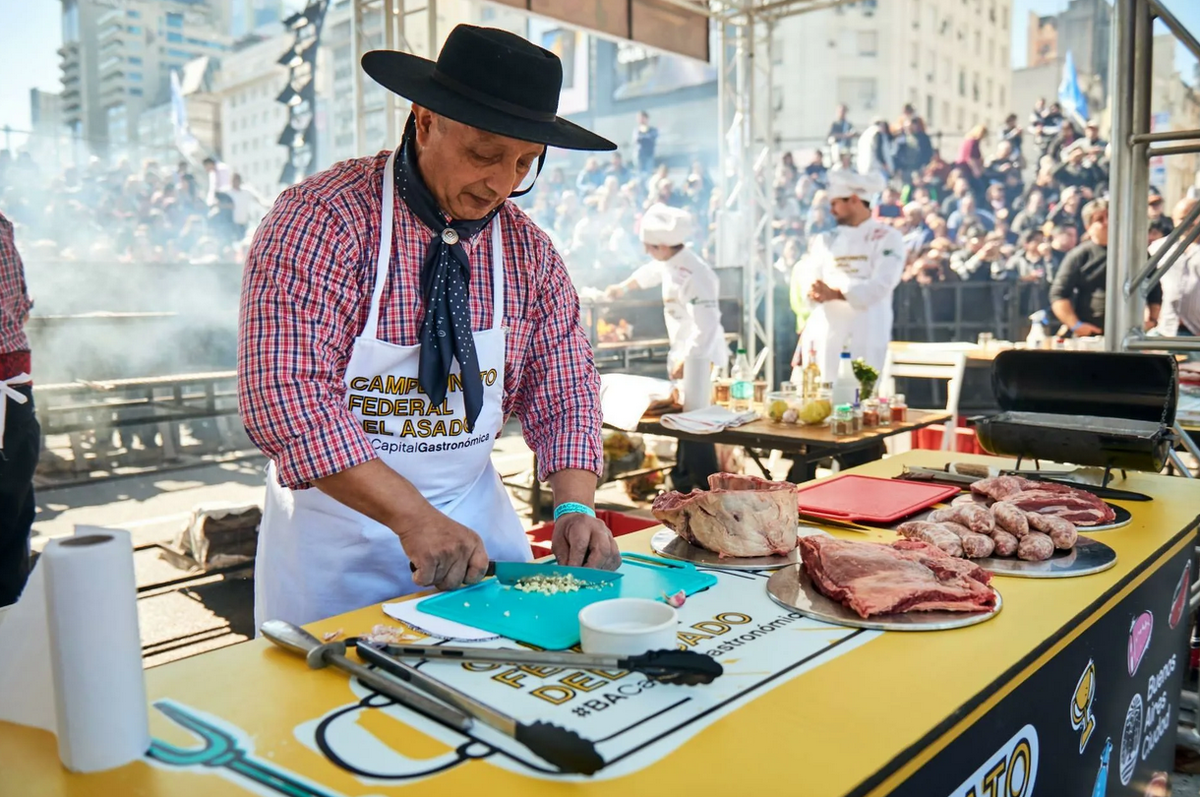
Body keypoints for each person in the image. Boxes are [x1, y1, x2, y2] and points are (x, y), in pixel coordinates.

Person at [239, 25, 622, 628]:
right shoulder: (322, 221)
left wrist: (574, 505)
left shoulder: (529, 252)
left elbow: (566, 389)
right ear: (424, 120)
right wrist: (414, 519)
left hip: (478, 532)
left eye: (525, 163)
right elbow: (284, 397)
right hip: (338, 549)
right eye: (484, 154)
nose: (501, 184)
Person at [605, 204, 727, 492]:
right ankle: (684, 478)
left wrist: (691, 359)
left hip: (702, 356)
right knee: (684, 420)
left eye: (649, 246)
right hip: (684, 354)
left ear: (662, 245)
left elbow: (706, 324)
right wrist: (623, 287)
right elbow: (650, 272)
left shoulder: (698, 273)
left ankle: (702, 483)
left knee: (696, 423)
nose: (647, 251)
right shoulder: (669, 262)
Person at [796, 170, 904, 378]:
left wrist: (836, 293)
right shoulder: (825, 240)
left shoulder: (888, 237)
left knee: (862, 397)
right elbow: (810, 275)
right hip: (827, 333)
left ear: (854, 200)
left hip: (867, 332)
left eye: (836, 203)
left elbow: (882, 283)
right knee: (822, 398)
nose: (832, 210)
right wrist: (814, 290)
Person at [1050, 199, 1161, 336]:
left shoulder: (1136, 254)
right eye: (1100, 219)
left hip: (1128, 335)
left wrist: (1152, 321)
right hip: (1090, 336)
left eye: (1110, 217)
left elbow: (1154, 287)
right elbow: (1058, 294)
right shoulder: (1079, 255)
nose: (1107, 223)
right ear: (1088, 226)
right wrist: (1076, 325)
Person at [0, 212, 37, 607]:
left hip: (10, 379)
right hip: (9, 378)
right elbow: (19, 307)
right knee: (10, 508)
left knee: (11, 504)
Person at [1152, 197, 1200, 337]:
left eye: (1193, 218)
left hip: (1196, 332)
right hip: (1166, 329)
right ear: (1174, 219)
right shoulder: (1158, 249)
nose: (1189, 223)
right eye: (1183, 218)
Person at [633, 110, 658, 175]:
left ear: (646, 118)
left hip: (649, 155)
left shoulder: (652, 130)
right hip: (639, 156)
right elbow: (636, 139)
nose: (640, 120)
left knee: (648, 173)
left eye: (642, 118)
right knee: (639, 174)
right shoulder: (637, 130)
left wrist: (644, 136)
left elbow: (652, 138)